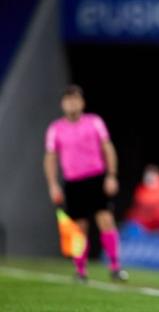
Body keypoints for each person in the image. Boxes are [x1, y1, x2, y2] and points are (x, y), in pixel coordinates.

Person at [43, 84, 128, 282]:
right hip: (74, 182)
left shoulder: (94, 122)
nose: (71, 103)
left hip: (96, 178)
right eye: (68, 100)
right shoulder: (56, 128)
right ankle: (80, 270)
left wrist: (111, 175)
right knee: (79, 228)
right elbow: (50, 158)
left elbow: (107, 148)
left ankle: (115, 266)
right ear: (62, 104)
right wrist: (53, 184)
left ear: (82, 103)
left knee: (106, 221)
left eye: (75, 99)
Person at [127, 164, 159, 232]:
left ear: (158, 175)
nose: (150, 177)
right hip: (143, 223)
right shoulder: (141, 188)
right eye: (147, 175)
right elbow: (138, 205)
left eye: (152, 174)